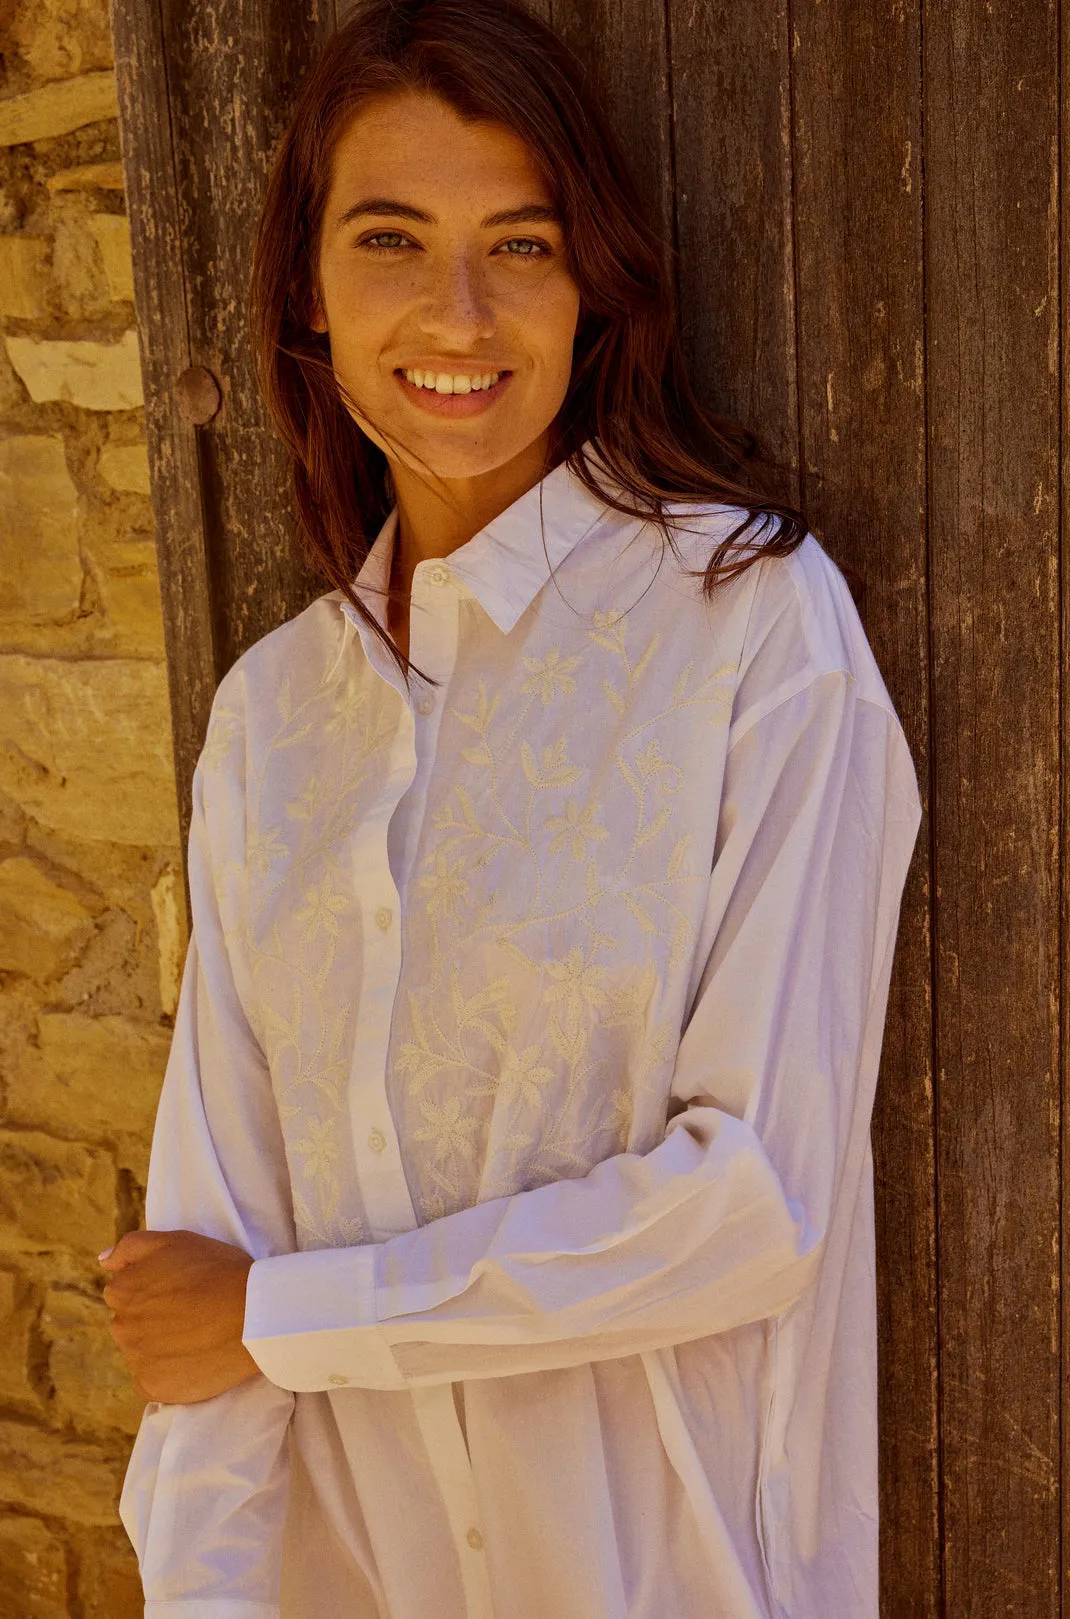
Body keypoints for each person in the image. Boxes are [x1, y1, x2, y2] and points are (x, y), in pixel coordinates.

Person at [101, 1, 922, 1614]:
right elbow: (202, 1276)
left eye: (521, 243)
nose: (457, 310)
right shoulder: (272, 720)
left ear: (588, 285)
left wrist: (291, 1312)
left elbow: (751, 1206)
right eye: (391, 239)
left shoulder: (752, 631)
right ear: (306, 294)